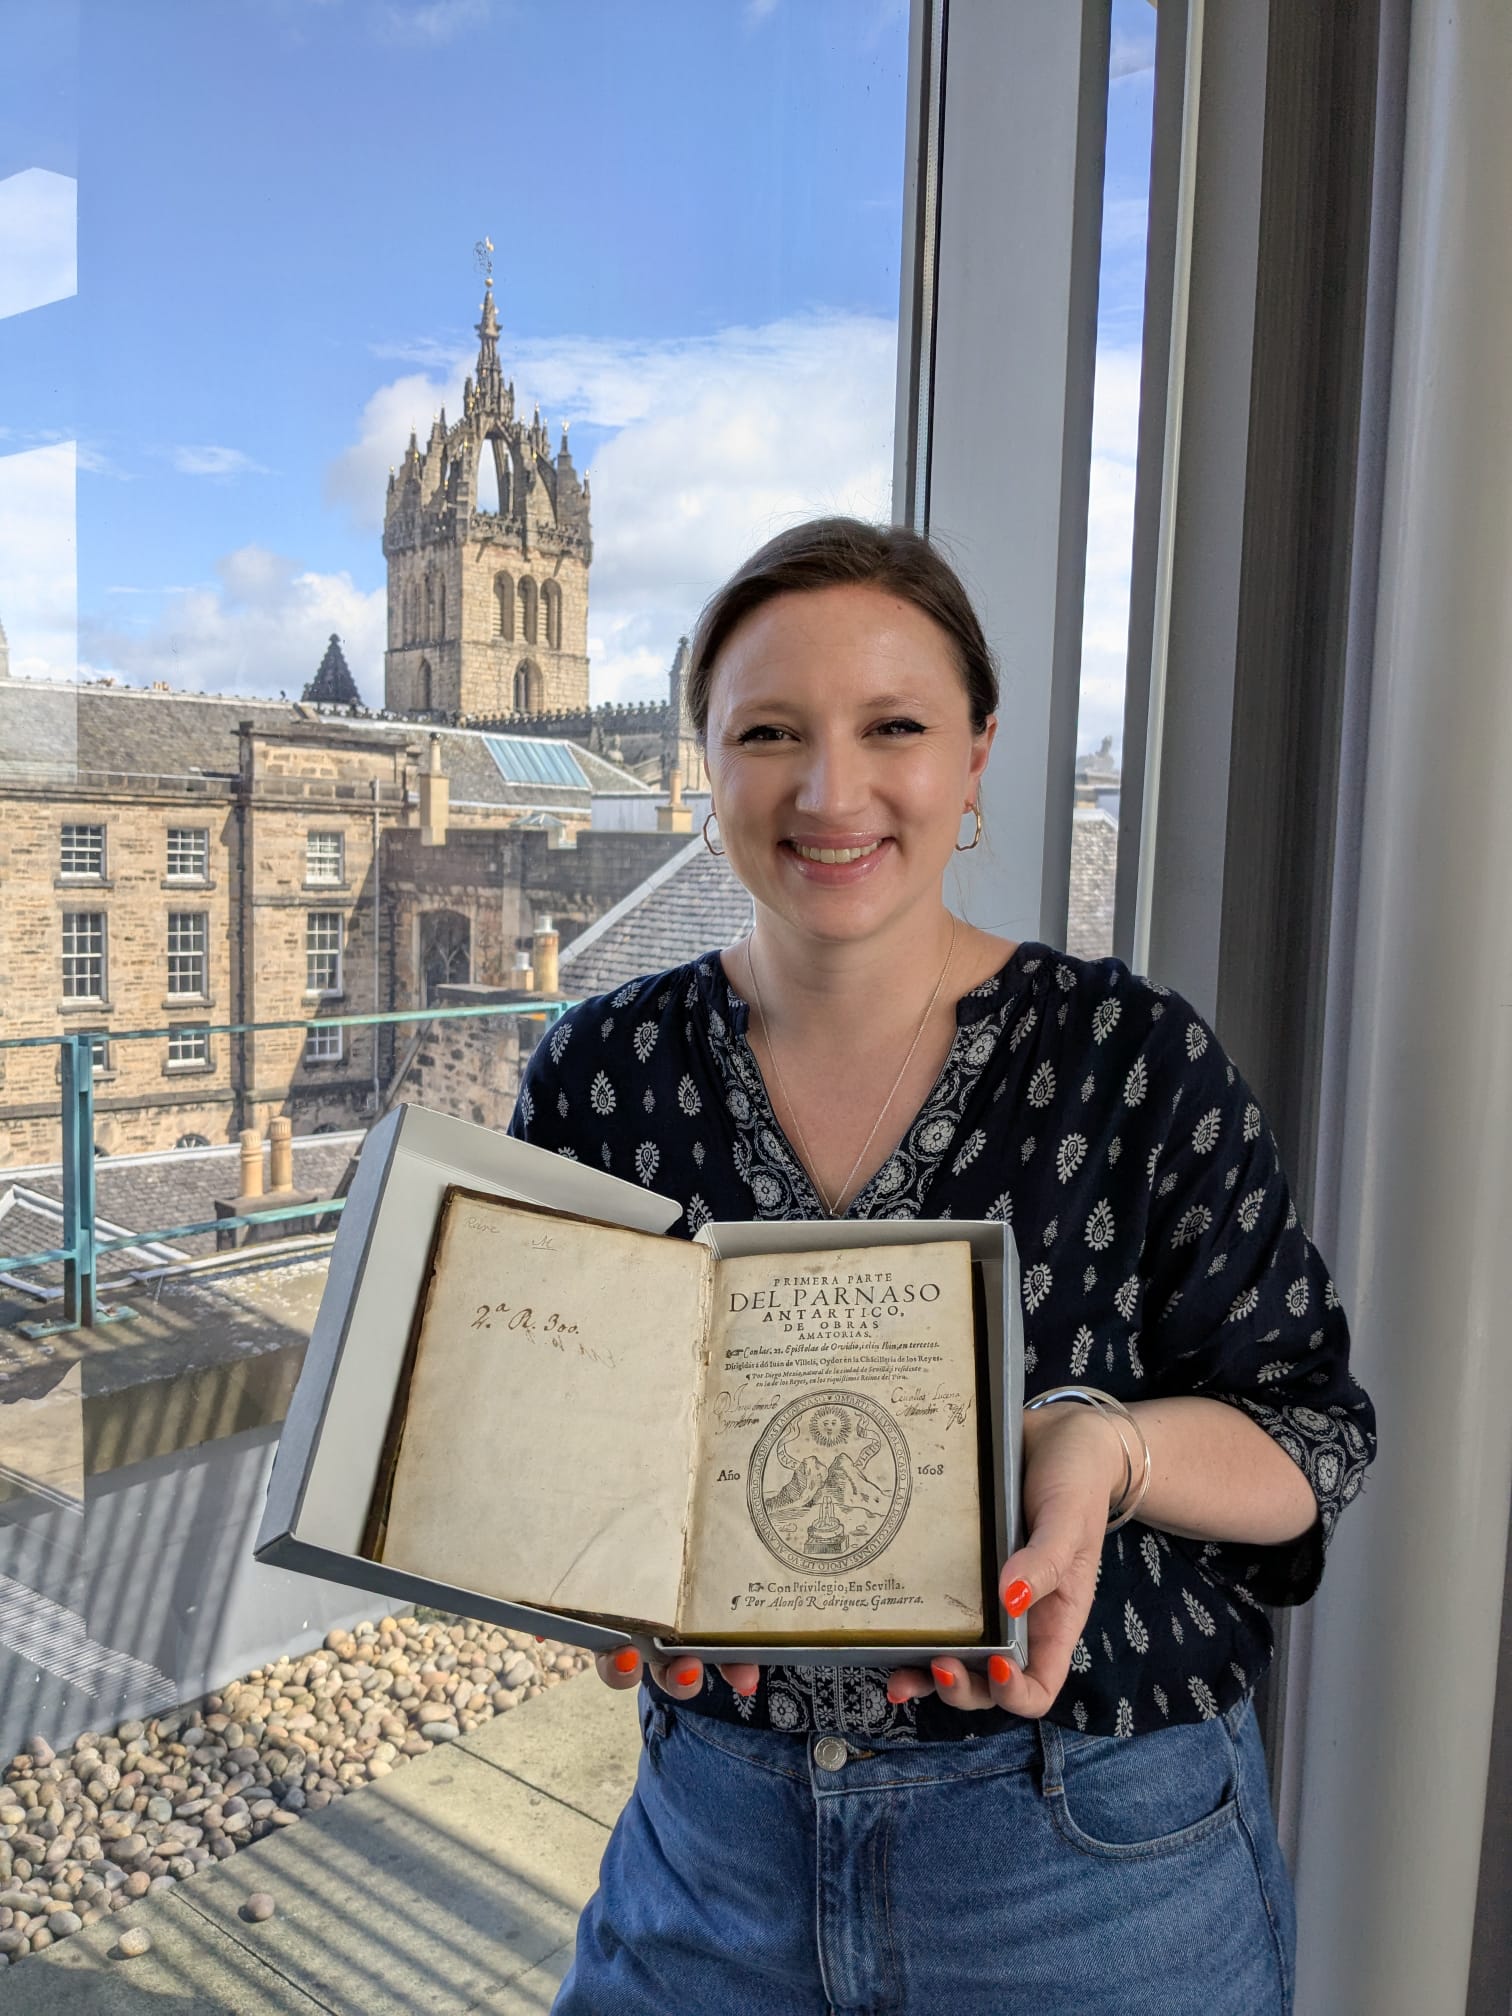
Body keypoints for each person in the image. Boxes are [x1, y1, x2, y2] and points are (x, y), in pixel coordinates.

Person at [508, 517, 1375, 2016]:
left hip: (1089, 1863)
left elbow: (1310, 1438)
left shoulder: (1134, 1058)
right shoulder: (598, 1071)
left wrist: (1101, 1449)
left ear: (975, 757)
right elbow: (544, 1429)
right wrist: (570, 1555)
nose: (831, 790)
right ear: (703, 765)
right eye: (769, 731)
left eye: (893, 728)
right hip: (708, 1854)